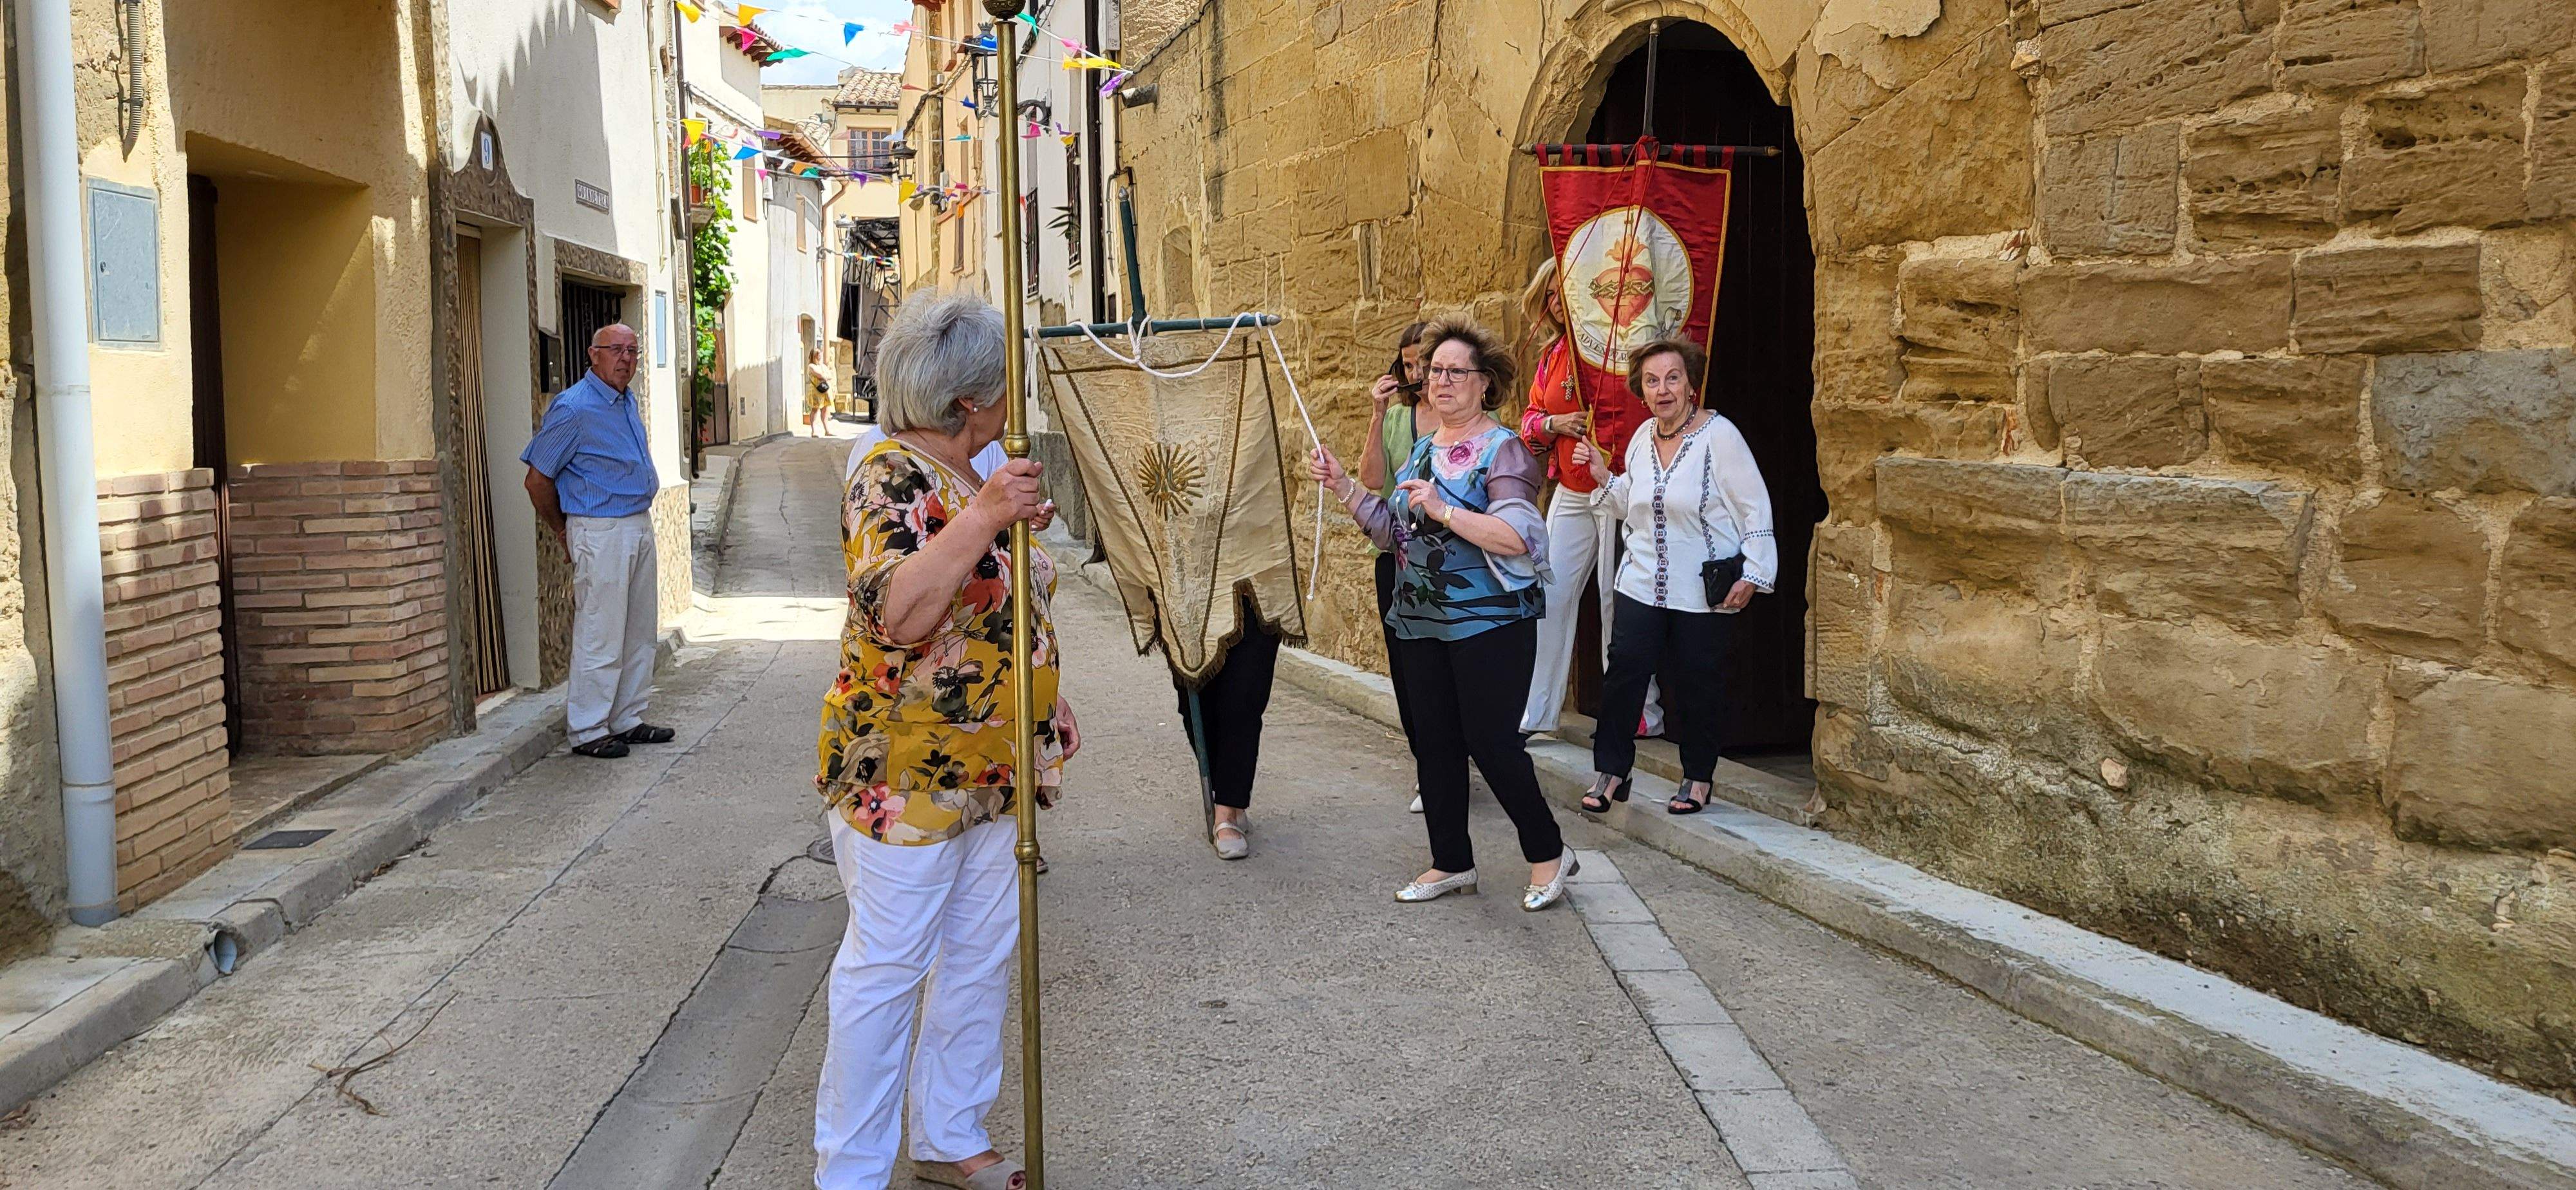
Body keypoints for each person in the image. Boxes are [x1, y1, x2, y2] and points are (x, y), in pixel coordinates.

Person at [812, 293, 1077, 1190]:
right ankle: (850, 1171)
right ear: (969, 402)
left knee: (977, 958)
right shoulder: (886, 476)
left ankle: (950, 1131)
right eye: (1003, 389)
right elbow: (900, 612)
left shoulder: (978, 472)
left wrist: (1049, 703)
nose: (1012, 403)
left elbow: (1007, 614)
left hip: (994, 768)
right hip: (904, 774)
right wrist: (983, 521)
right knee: (886, 973)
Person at [1309, 319, 1580, 912]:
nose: (1442, 381)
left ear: (1485, 384)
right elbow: (1392, 534)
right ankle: (1451, 860)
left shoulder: (1503, 448)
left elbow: (1517, 536)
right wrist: (1345, 487)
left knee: (1491, 742)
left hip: (1490, 623)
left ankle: (1549, 852)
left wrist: (1446, 510)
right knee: (1433, 743)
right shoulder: (1425, 451)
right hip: (1419, 621)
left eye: (1457, 371)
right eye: (1435, 372)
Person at [1571, 339, 1774, 817]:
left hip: (1699, 589)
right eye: (1652, 381)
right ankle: (1613, 771)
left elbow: (1754, 506)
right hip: (1641, 580)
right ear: (1641, 390)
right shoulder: (1642, 437)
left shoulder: (1720, 437)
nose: (1663, 390)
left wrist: (1756, 571)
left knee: (1698, 682)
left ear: (1690, 384)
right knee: (1623, 674)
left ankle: (1698, 778)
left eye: (1672, 378)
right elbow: (1633, 505)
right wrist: (1605, 477)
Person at [1515, 258, 1660, 739]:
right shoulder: (1553, 355)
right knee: (1549, 596)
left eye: (1564, 292)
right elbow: (1530, 420)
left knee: (1616, 601)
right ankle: (1538, 712)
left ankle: (1638, 712)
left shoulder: (1621, 345)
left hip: (1618, 487)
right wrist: (1555, 424)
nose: (1557, 303)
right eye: (1550, 295)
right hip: (1572, 492)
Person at [522, 324, 673, 760]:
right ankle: (588, 728)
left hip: (636, 524)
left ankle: (626, 717)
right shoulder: (573, 408)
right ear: (593, 355)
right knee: (600, 632)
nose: (626, 359)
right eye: (616, 351)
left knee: (639, 631)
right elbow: (536, 480)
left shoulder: (625, 400)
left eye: (633, 351)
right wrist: (561, 529)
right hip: (600, 529)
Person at [1357, 321, 1430, 814]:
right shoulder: (1398, 419)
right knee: (1407, 672)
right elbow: (1370, 480)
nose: (1419, 372)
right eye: (1409, 364)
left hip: (1451, 562)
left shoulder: (1464, 422)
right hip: (1396, 559)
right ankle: (1431, 768)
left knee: (1445, 669)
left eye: (1426, 361)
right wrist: (1378, 414)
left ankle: (1456, 758)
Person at [1174, 597, 1280, 859]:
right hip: (1189, 591)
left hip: (1254, 586)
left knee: (1244, 697)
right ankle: (1228, 791)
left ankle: (1227, 810)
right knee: (1197, 705)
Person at [806, 346, 836, 438]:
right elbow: (820, 375)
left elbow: (829, 375)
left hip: (825, 390)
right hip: (816, 391)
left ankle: (827, 430)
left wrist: (825, 376)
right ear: (814, 356)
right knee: (815, 410)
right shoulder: (811, 366)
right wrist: (824, 376)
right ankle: (813, 431)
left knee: (825, 410)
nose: (820, 358)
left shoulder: (823, 366)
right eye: (819, 356)